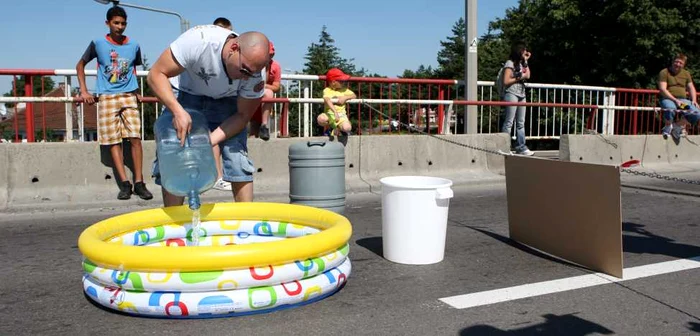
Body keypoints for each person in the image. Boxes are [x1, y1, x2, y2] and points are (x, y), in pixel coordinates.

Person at [147, 25, 269, 206]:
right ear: (234, 48)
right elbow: (155, 74)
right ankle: (176, 226)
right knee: (175, 150)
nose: (247, 78)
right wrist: (177, 110)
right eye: (244, 71)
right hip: (186, 94)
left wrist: (207, 142)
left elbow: (243, 116)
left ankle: (246, 224)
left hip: (228, 102)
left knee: (237, 157)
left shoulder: (254, 74)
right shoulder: (200, 41)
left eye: (252, 74)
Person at [76, 6, 153, 201]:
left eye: (123, 23)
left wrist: (136, 91)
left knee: (135, 137)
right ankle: (124, 183)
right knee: (113, 141)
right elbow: (80, 65)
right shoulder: (98, 43)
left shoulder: (134, 45)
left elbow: (133, 69)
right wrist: (84, 91)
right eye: (116, 23)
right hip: (107, 96)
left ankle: (139, 182)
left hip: (128, 95)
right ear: (108, 23)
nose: (120, 27)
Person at [500, 42, 534, 156]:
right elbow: (506, 81)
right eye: (524, 50)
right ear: (519, 51)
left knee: (521, 123)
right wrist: (519, 78)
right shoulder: (510, 63)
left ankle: (521, 147)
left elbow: (528, 75)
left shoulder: (522, 63)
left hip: (521, 94)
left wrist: (526, 61)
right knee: (509, 121)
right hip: (511, 93)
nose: (526, 52)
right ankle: (504, 147)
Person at [658, 53, 700, 139]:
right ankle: (668, 127)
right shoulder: (664, 72)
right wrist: (675, 100)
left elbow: (691, 87)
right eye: (676, 62)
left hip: (682, 101)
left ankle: (677, 126)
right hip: (668, 98)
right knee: (670, 108)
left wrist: (694, 100)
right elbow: (662, 89)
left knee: (696, 113)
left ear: (683, 65)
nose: (678, 64)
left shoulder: (686, 74)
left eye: (680, 63)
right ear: (673, 61)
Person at [249, 41, 281, 141]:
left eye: (271, 54)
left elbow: (276, 87)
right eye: (268, 54)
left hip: (264, 102)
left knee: (269, 93)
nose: (270, 57)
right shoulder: (252, 64)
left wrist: (264, 85)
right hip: (250, 99)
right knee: (252, 132)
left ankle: (264, 126)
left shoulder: (275, 66)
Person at [317, 68, 356, 145]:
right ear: (334, 82)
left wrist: (345, 98)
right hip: (330, 114)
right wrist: (335, 112)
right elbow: (327, 100)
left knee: (347, 128)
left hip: (341, 115)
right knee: (321, 119)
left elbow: (354, 95)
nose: (344, 82)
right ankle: (330, 127)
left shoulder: (344, 90)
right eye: (341, 81)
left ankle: (339, 129)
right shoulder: (327, 90)